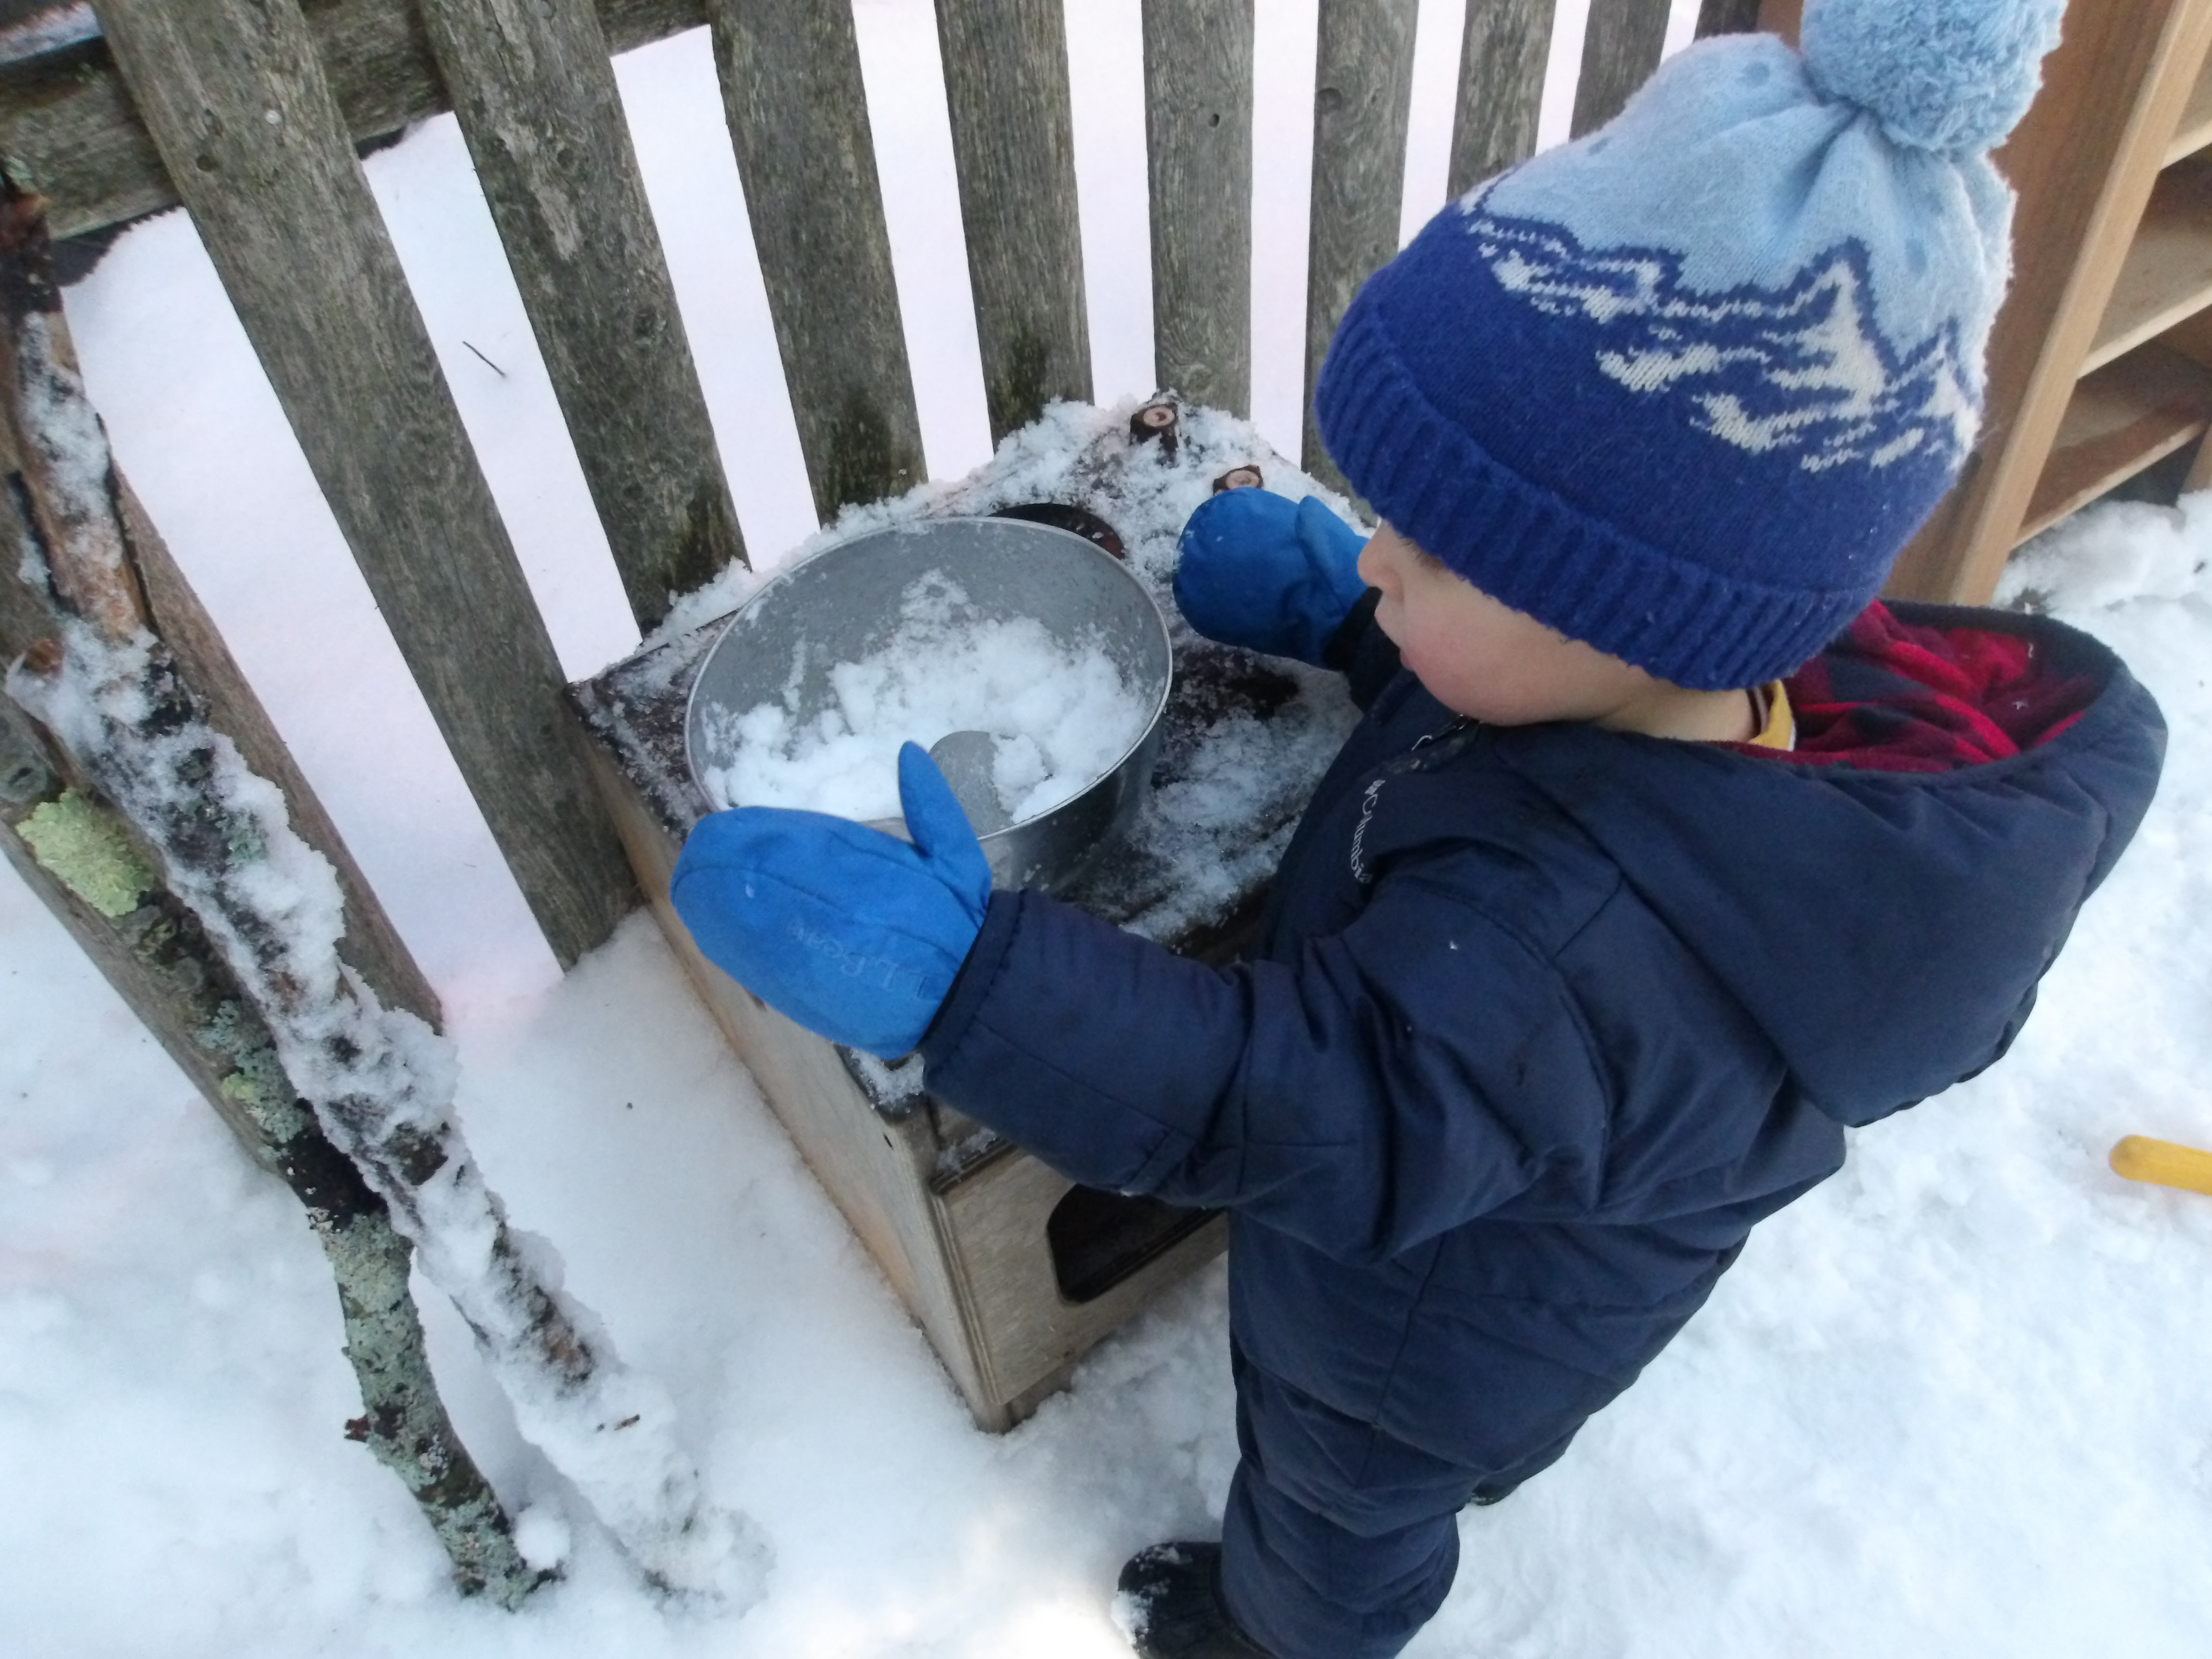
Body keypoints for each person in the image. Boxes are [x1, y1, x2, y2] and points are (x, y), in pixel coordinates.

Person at [668, 2, 2166, 1654]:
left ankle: (1283, 1631)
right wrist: (1351, 620)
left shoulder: (1569, 966)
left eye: (1432, 557)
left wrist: (967, 991)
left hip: (1427, 1326)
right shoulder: (1667, 681)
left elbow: (1299, 1104)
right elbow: (1515, 699)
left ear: (1631, 609)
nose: (1381, 557)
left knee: (1342, 1503)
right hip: (1538, 1202)